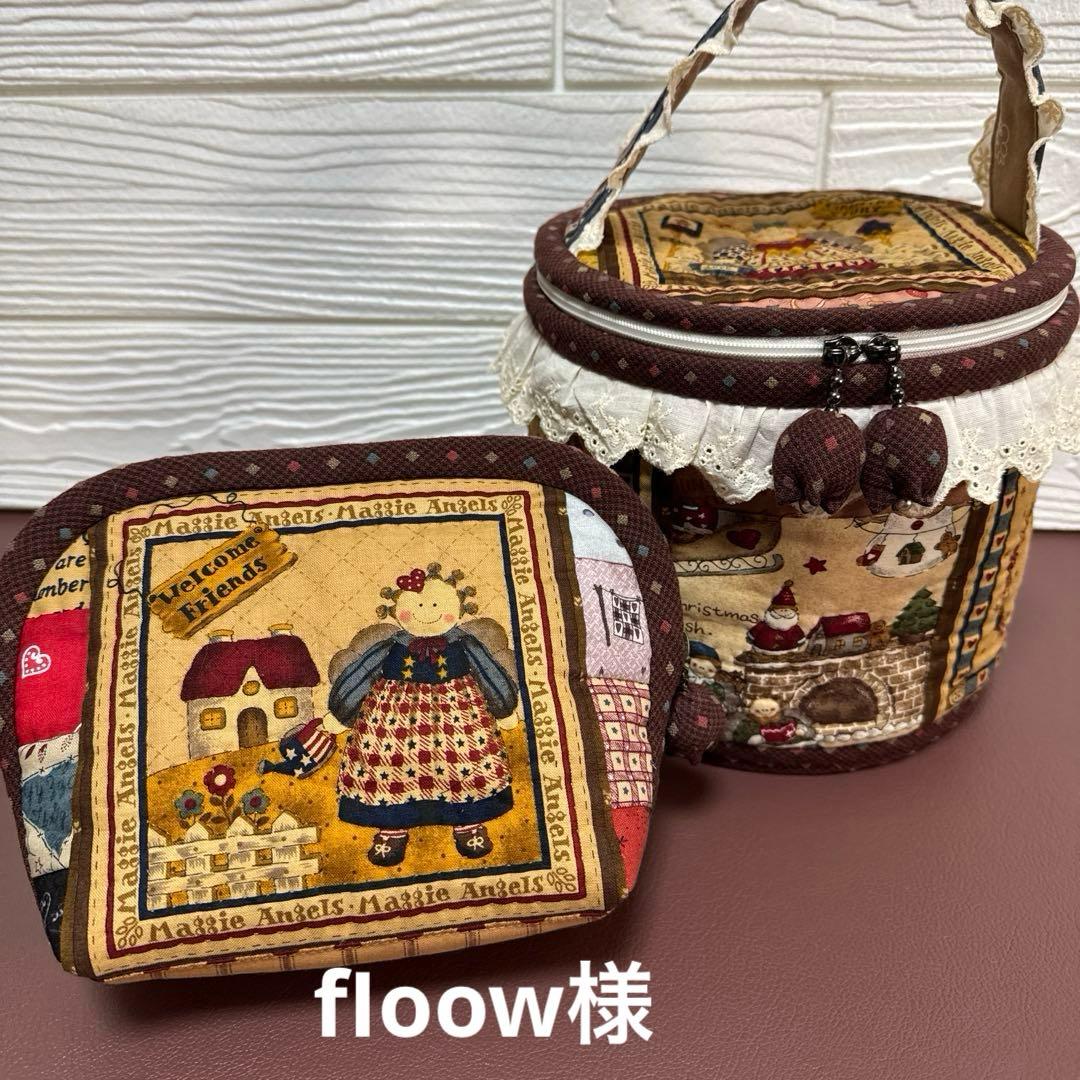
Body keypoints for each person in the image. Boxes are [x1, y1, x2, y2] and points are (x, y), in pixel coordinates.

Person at [328, 563, 518, 867]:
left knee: (463, 761)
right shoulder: (391, 646)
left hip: (457, 716)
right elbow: (361, 674)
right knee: (389, 766)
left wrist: (503, 707)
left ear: (458, 608)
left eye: (435, 605)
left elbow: (488, 673)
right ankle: (391, 827)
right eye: (417, 605)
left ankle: (468, 822)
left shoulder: (464, 644)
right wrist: (341, 711)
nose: (426, 612)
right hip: (394, 720)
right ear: (397, 609)